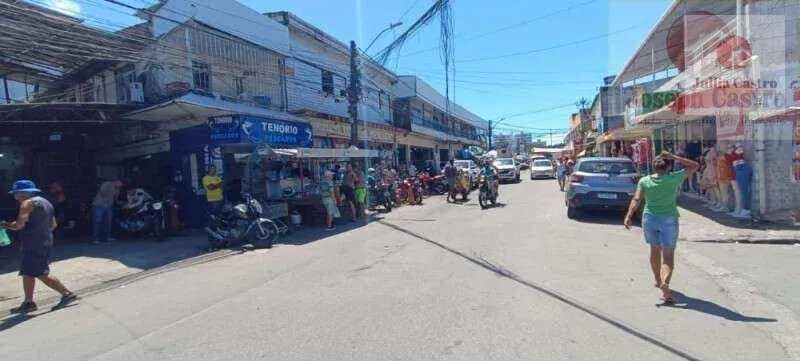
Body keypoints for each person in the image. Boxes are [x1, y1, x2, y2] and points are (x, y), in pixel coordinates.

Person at [624, 151, 699, 304]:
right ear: (668, 167)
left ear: (653, 167)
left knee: (654, 250)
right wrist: (675, 157)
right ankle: (665, 283)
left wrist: (628, 215)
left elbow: (637, 198)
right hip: (669, 219)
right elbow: (695, 165)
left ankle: (658, 280)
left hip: (650, 219)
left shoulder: (645, 181)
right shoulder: (673, 178)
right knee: (668, 256)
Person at [1, 180, 78, 313]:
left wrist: (6, 225)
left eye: (16, 193)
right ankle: (28, 302)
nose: (15, 197)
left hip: (34, 243)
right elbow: (53, 225)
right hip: (44, 240)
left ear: (24, 193)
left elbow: (19, 225)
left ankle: (67, 294)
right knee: (27, 271)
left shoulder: (27, 203)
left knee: (40, 272)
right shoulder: (45, 202)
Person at [91, 179, 122, 244]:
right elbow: (103, 192)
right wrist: (113, 189)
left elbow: (115, 198)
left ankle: (106, 237)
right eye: (120, 183)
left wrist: (117, 192)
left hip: (108, 206)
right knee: (97, 221)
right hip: (99, 205)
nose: (121, 185)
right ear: (116, 181)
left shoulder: (117, 188)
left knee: (107, 222)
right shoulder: (107, 183)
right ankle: (96, 239)